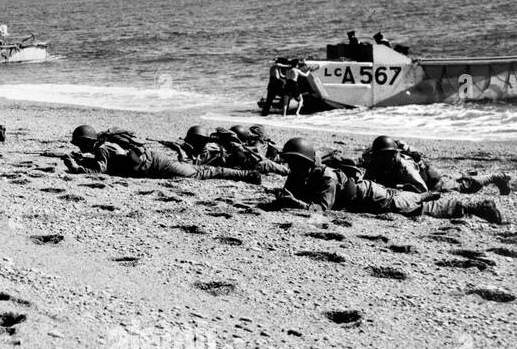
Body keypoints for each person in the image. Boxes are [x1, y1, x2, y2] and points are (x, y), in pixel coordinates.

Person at [274, 137, 505, 222]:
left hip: (376, 198)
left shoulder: (326, 178)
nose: (290, 166)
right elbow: (290, 194)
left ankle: (477, 207)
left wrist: (296, 204)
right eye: (289, 161)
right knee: (414, 199)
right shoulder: (300, 173)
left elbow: (320, 210)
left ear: (305, 161)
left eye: (294, 161)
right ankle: (421, 196)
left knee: (419, 208)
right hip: (373, 191)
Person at [66, 126, 261, 182]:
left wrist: (77, 168)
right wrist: (83, 160)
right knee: (201, 169)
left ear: (88, 142)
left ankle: (247, 175)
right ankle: (246, 175)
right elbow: (109, 162)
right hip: (154, 160)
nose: (78, 147)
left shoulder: (101, 149)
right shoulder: (105, 146)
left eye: (80, 144)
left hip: (157, 165)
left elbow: (100, 170)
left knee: (202, 173)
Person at [360, 135, 510, 196]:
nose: (382, 158)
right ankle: (467, 175)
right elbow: (366, 181)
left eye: (386, 155)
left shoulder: (405, 167)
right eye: (380, 155)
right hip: (426, 176)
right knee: (456, 178)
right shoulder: (375, 162)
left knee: (466, 186)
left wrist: (395, 189)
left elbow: (422, 190)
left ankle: (497, 176)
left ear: (394, 154)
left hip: (433, 183)